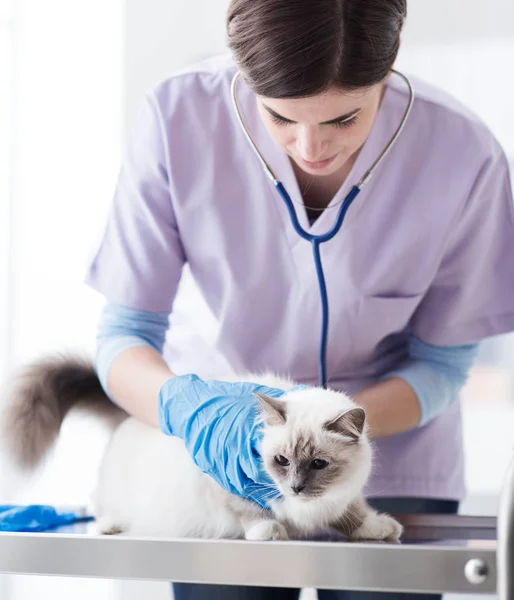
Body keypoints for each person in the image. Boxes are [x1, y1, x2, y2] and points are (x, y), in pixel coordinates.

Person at [85, 0, 514, 598]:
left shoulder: (463, 155)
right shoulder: (176, 118)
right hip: (219, 468)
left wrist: (334, 434)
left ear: (387, 72)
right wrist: (192, 413)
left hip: (393, 458)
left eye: (345, 119)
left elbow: (443, 364)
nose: (310, 147)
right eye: (280, 117)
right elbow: (123, 337)